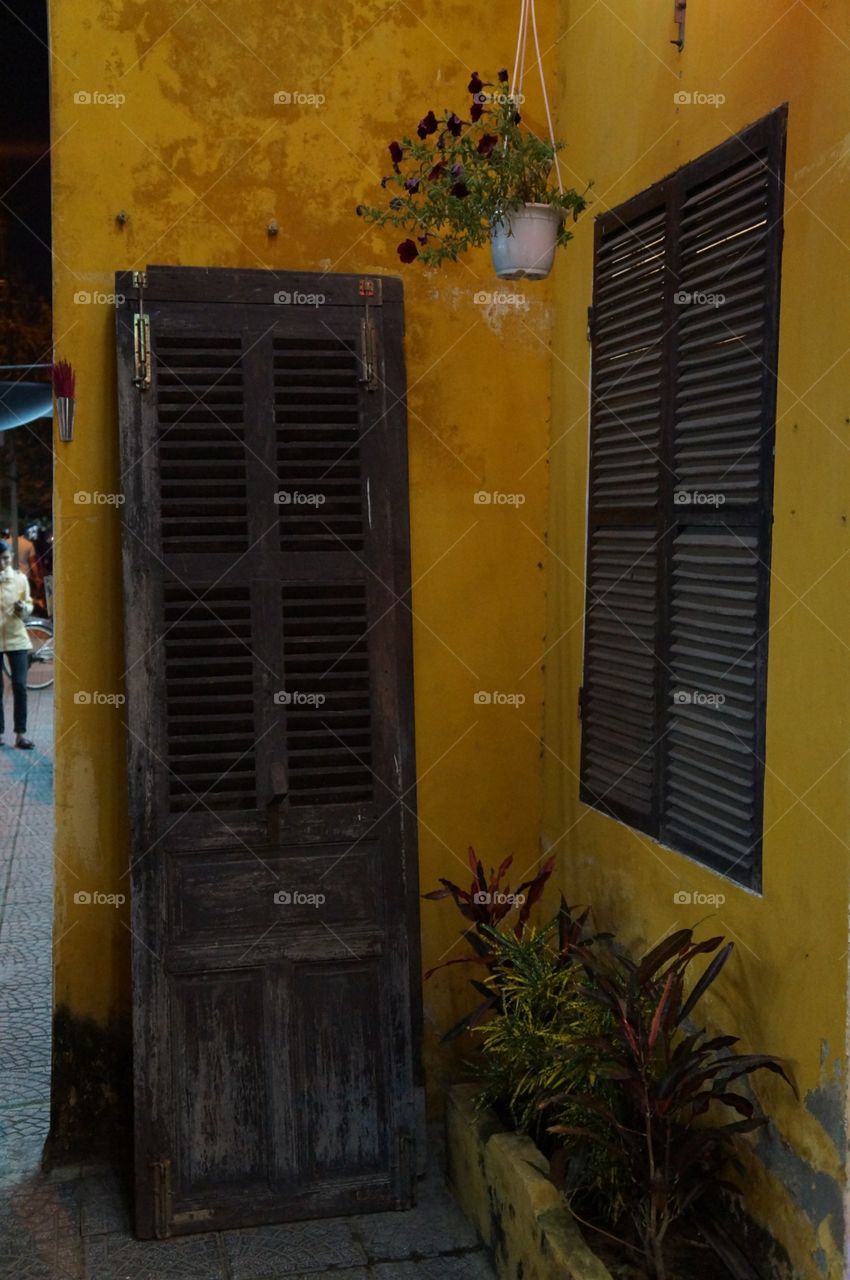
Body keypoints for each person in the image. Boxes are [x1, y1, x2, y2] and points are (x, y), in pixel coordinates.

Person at [0, 539, 34, 748]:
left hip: (17, 638)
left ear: (11, 557)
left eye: (5, 559)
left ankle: (20, 734)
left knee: (20, 685)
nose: (2, 564)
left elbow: (28, 606)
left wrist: (23, 608)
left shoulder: (20, 580)